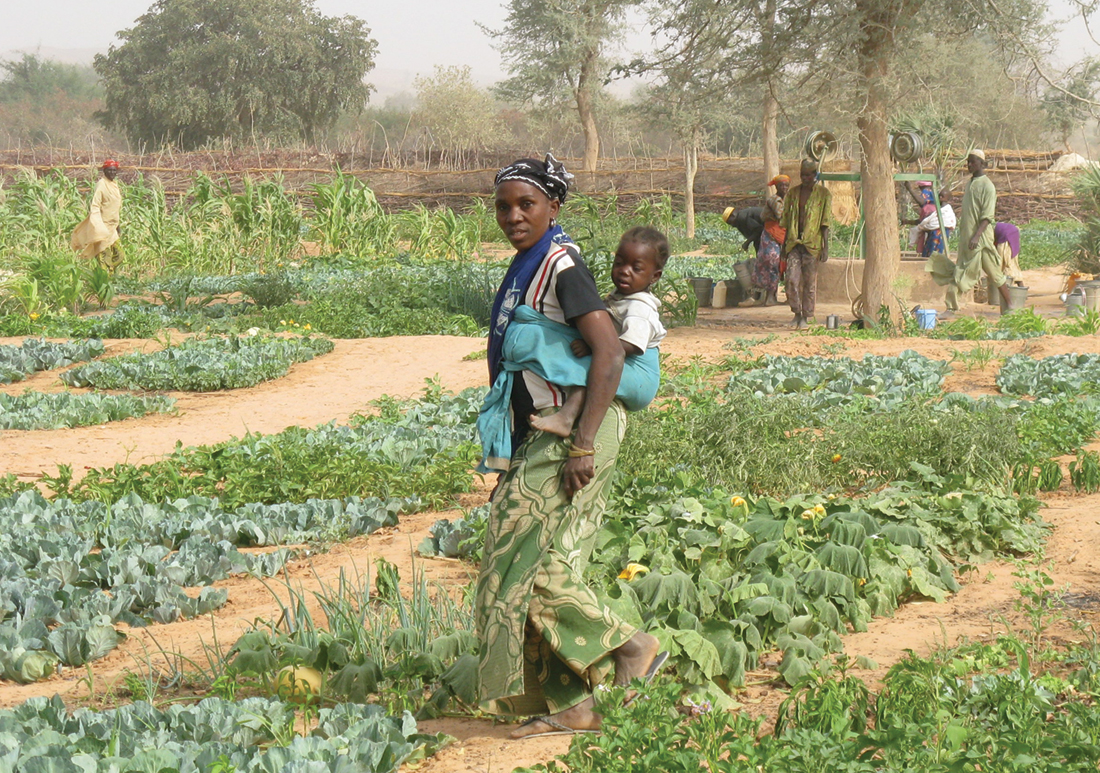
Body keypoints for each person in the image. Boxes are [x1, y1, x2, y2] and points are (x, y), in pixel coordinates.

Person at [475, 155, 667, 740]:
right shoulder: (529, 263)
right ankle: (576, 702)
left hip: (577, 434)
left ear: (553, 207)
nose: (513, 215)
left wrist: (581, 444)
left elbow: (609, 354)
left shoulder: (563, 267)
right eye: (504, 205)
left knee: (513, 562)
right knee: (547, 560)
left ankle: (631, 646)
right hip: (549, 432)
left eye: (526, 204)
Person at [529, 226, 668, 438]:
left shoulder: (641, 308)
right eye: (619, 263)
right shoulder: (622, 297)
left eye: (636, 268)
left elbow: (632, 345)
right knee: (598, 362)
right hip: (625, 362)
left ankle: (565, 419)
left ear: (654, 276)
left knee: (596, 370)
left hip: (641, 376)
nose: (624, 271)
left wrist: (593, 346)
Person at [949, 149, 1011, 314]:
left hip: (980, 239)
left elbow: (987, 216)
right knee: (965, 270)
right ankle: (952, 307)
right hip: (969, 239)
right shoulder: (970, 183)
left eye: (973, 162)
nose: (969, 165)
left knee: (994, 275)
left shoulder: (987, 186)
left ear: (982, 164)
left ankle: (1011, 307)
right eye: (968, 162)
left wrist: (976, 236)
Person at [780, 159, 831, 329]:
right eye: (802, 175)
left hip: (812, 244)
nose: (805, 178)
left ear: (814, 175)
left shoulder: (823, 194)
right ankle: (796, 313)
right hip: (794, 243)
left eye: (808, 175)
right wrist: (783, 247)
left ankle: (807, 317)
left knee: (809, 283)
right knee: (791, 280)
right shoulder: (793, 194)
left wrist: (825, 247)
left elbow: (825, 223)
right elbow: (786, 221)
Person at [71, 159, 124, 272]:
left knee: (120, 256)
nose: (112, 173)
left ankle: (104, 275)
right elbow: (95, 206)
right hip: (103, 228)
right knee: (105, 259)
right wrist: (98, 227)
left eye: (114, 170)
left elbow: (114, 208)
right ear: (104, 171)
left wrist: (117, 226)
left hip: (112, 228)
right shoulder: (101, 185)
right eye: (109, 170)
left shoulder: (114, 184)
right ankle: (103, 282)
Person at [753, 174, 789, 306]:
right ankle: (769, 298)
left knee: (775, 265)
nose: (784, 188)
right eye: (781, 185)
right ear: (776, 187)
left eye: (786, 185)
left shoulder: (784, 199)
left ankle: (771, 297)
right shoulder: (775, 200)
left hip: (775, 236)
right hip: (771, 236)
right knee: (772, 264)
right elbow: (781, 216)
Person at [903, 183, 956, 257]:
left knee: (934, 253)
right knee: (930, 251)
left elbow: (947, 221)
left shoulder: (946, 210)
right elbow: (929, 220)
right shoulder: (934, 208)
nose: (940, 197)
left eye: (943, 196)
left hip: (939, 234)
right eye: (940, 195)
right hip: (933, 234)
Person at [993, 222, 1023, 286]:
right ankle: (1021, 288)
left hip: (1005, 238)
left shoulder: (990, 232)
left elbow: (993, 244)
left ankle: (1007, 288)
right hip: (1014, 236)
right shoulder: (997, 227)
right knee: (1013, 263)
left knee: (1005, 264)